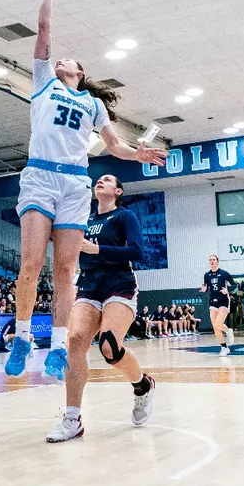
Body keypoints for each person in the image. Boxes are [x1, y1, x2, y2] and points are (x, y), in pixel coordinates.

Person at [5, 0, 166, 381]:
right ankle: (23, 337)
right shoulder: (42, 84)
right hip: (40, 175)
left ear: (81, 72)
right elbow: (43, 31)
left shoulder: (92, 104)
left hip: (76, 183)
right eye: (58, 60)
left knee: (64, 269)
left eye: (68, 61)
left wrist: (140, 155)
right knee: (30, 264)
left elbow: (113, 145)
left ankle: (58, 347)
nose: (60, 61)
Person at [47, 173, 156, 442]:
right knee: (75, 341)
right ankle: (72, 417)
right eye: (99, 179)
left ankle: (142, 385)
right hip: (89, 284)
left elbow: (137, 252)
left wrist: (97, 250)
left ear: (117, 191)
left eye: (107, 180)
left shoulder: (124, 217)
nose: (100, 181)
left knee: (109, 346)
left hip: (119, 283)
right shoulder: (83, 220)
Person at [201, 255, 237, 356]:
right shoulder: (207, 275)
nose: (212, 261)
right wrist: (204, 289)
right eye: (210, 260)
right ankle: (224, 347)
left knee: (218, 323)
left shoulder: (224, 273)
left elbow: (234, 285)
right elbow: (207, 287)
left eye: (214, 260)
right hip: (213, 302)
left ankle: (228, 331)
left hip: (223, 301)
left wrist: (228, 290)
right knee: (215, 327)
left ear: (217, 261)